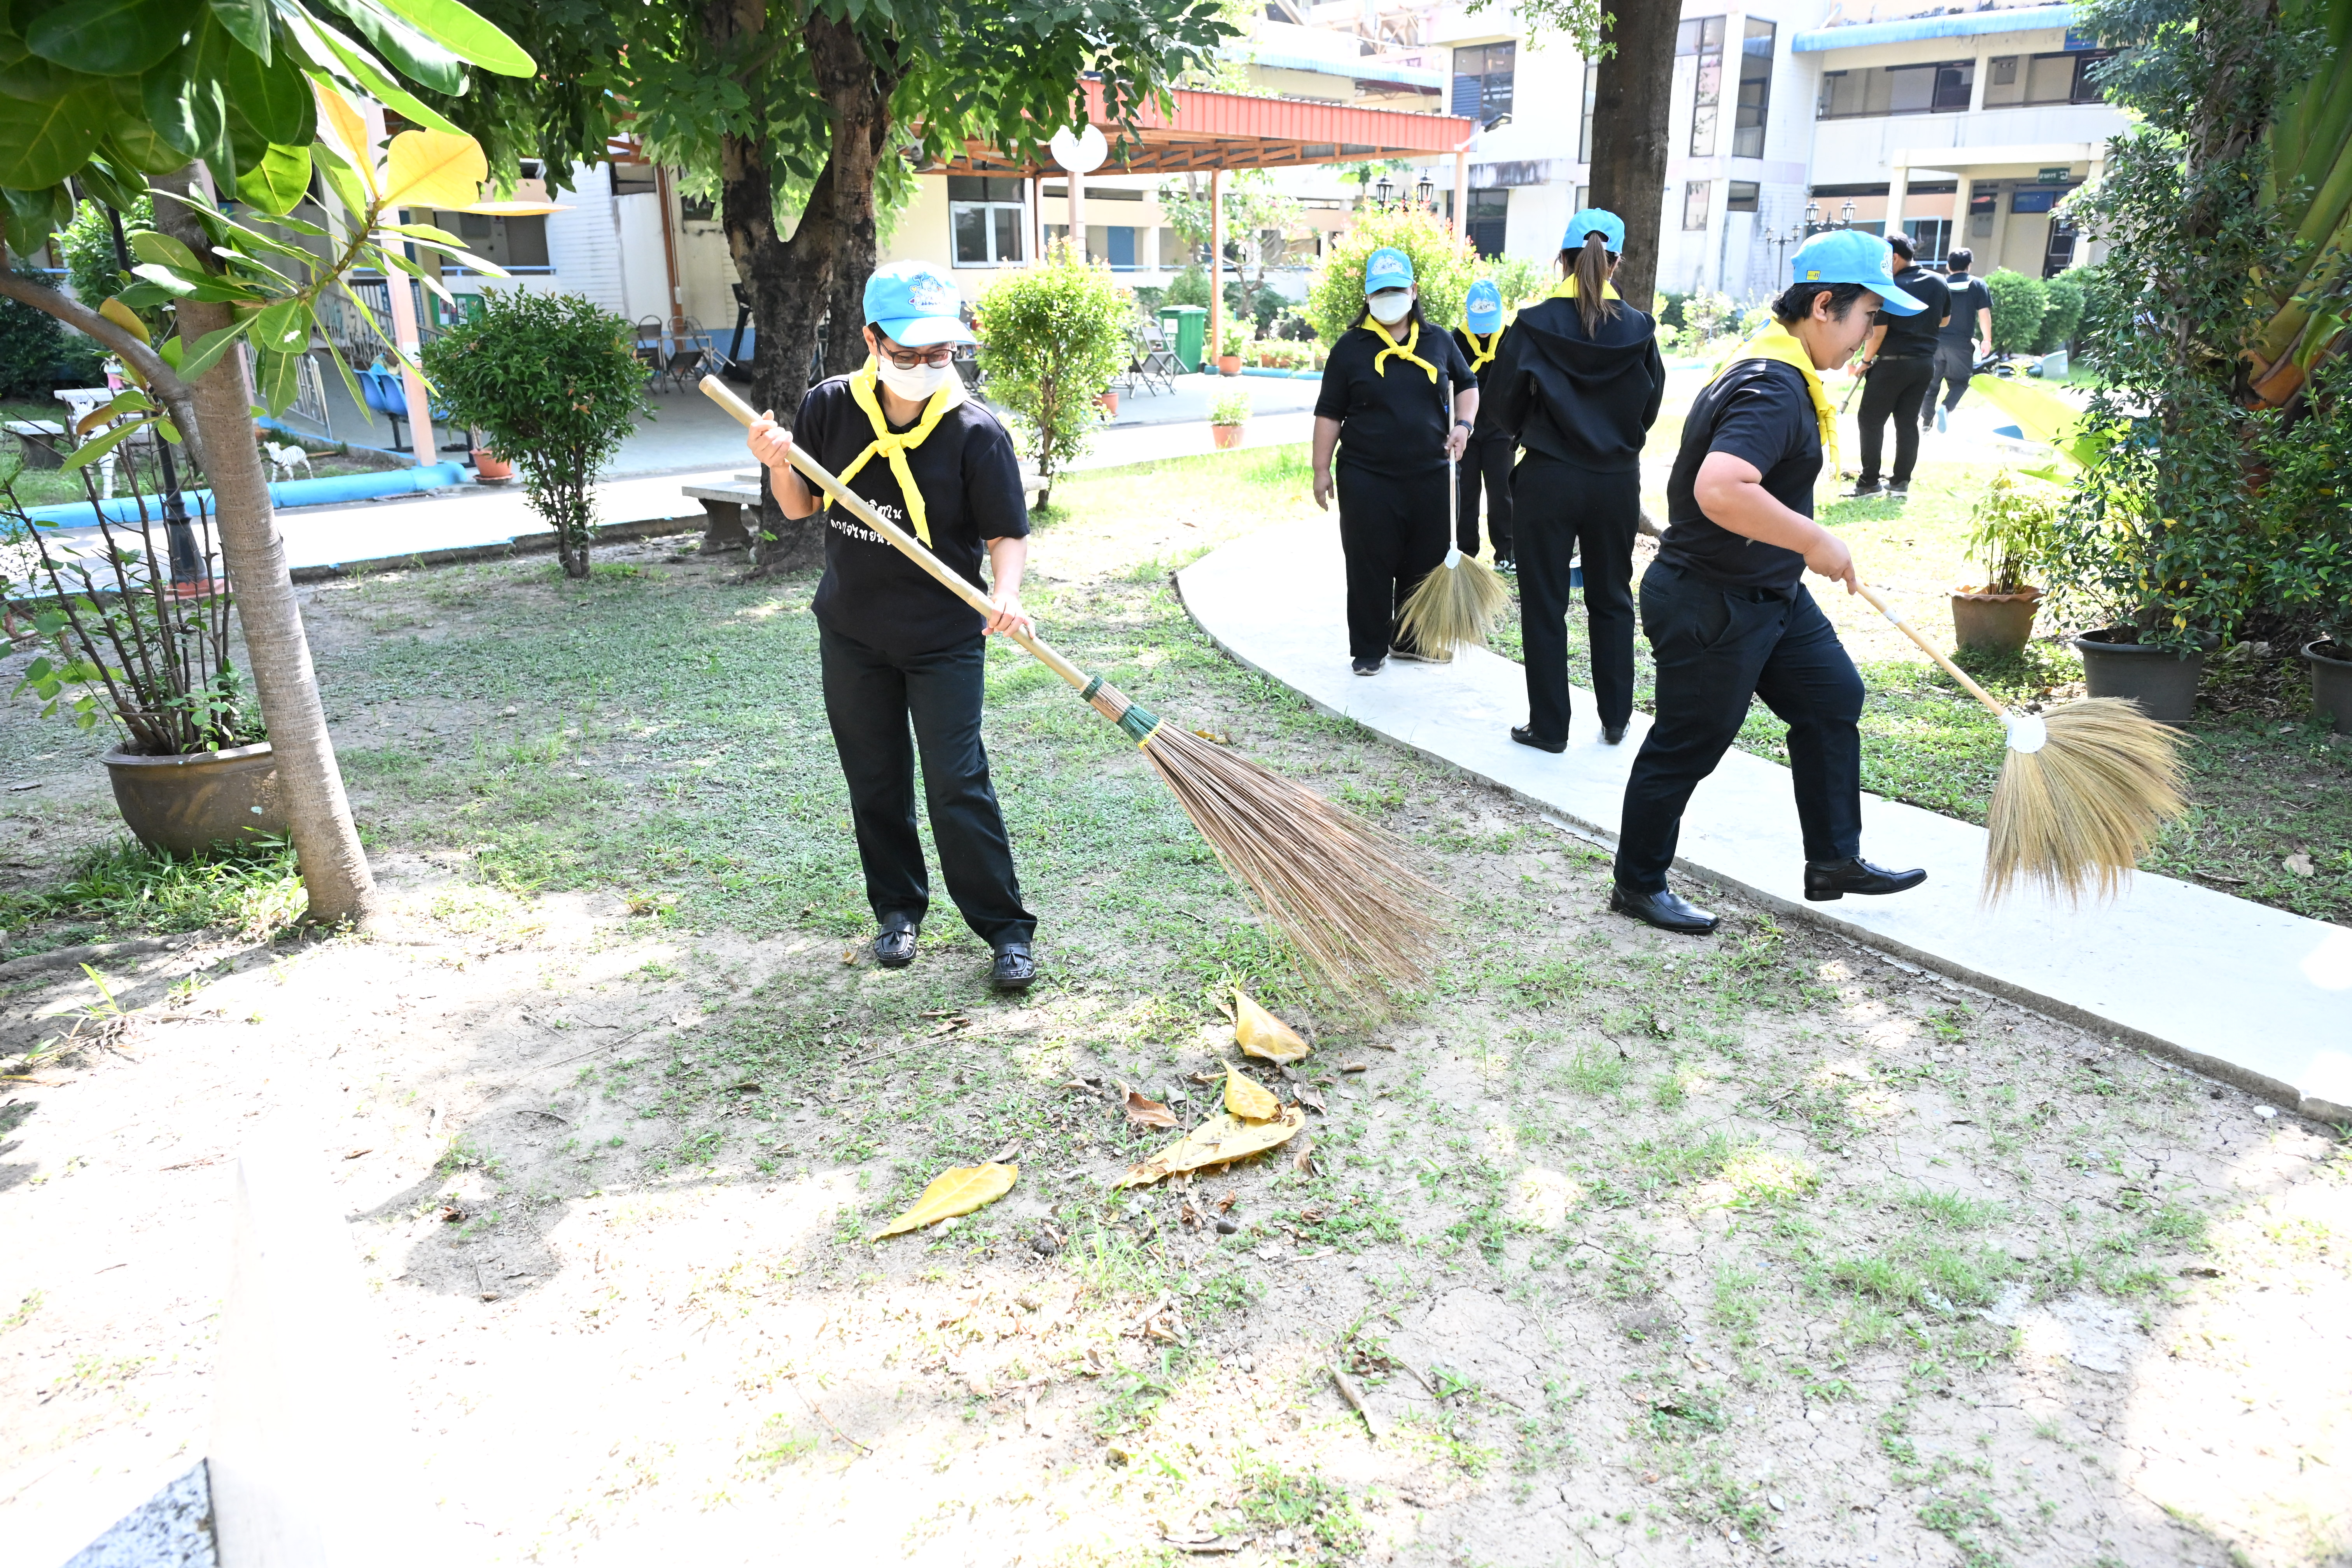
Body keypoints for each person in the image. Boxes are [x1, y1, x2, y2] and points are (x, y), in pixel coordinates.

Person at [1610, 230, 1932, 936]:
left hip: (1768, 590)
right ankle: (1636, 883)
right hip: (1710, 598)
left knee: (1831, 697)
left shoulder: (1773, 364)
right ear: (1824, 306)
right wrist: (1814, 538)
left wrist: (1797, 552)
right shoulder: (1772, 385)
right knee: (1692, 740)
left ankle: (1833, 860)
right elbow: (1722, 488)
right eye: (1866, 317)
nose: (1866, 335)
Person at [745, 260, 1040, 990]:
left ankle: (1004, 929)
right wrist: (778, 463)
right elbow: (797, 507)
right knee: (874, 779)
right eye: (905, 354)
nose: (922, 368)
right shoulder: (830, 407)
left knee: (956, 782)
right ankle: (898, 913)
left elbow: (1006, 532)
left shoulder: (975, 431)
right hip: (852, 632)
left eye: (938, 354)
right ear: (870, 339)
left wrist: (1005, 593)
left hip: (943, 639)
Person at [1482, 207, 1665, 753]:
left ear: (1562, 259)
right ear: (1617, 262)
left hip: (1548, 478)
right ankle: (1615, 718)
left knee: (1545, 603)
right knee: (1612, 597)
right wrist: (1612, 438)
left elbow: (1499, 405)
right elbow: (1650, 404)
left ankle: (1551, 727)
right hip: (1615, 482)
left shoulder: (1533, 325)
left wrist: (1538, 432)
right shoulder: (1640, 330)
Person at [1312, 247, 1478, 676]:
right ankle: (1369, 649)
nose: (1389, 297)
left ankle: (1410, 640)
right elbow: (1329, 412)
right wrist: (1320, 470)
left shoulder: (1439, 340)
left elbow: (1468, 384)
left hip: (1432, 474)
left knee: (1424, 560)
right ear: (1367, 297)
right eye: (1380, 291)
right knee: (1369, 562)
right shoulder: (1350, 348)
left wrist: (1464, 425)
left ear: (1413, 290)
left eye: (1396, 289)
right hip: (1367, 477)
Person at [1848, 232, 1949, 497]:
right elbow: (1945, 321)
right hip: (1925, 364)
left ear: (1894, 258)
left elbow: (1878, 332)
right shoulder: (1939, 282)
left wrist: (1866, 361)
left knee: (1870, 420)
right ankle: (1901, 483)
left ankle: (1869, 482)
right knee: (1907, 423)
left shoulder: (1890, 286)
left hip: (1892, 364)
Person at [1449, 278, 1516, 572]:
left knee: (1502, 490)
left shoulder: (1512, 338)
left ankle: (1507, 552)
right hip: (1466, 428)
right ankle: (1466, 554)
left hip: (1501, 428)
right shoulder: (1456, 340)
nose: (1485, 328)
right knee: (1466, 491)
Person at [1924, 247, 1993, 433]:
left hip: (1936, 342)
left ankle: (1925, 425)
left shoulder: (1940, 284)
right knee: (1961, 382)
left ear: (1948, 265)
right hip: (1961, 344)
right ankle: (1946, 408)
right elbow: (1984, 314)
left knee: (1931, 384)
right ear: (1969, 266)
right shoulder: (1978, 285)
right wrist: (1987, 339)